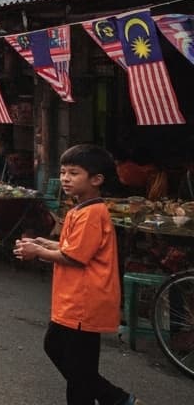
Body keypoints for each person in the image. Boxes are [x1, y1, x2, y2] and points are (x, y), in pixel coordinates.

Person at [14, 145, 142, 405]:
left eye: (74, 173)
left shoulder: (92, 214)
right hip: (72, 300)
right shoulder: (79, 210)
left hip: (85, 301)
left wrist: (37, 251)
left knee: (78, 368)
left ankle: (117, 398)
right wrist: (43, 243)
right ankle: (115, 398)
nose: (65, 178)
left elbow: (74, 257)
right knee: (61, 351)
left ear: (96, 180)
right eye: (63, 172)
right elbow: (70, 247)